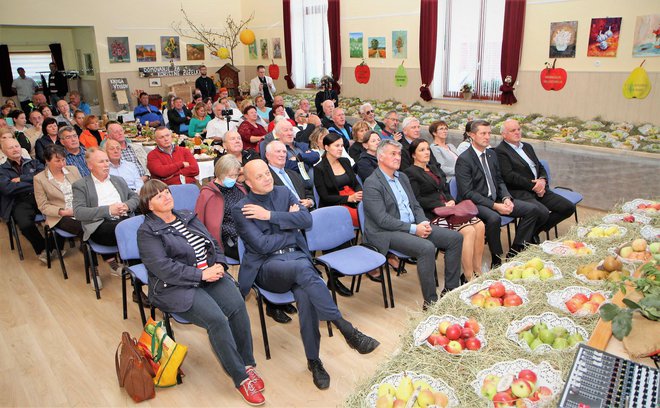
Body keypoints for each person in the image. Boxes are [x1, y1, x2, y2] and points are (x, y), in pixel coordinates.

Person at [232, 159, 379, 390]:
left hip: (296, 259)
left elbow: (306, 220)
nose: (267, 178)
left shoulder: (283, 192)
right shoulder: (242, 208)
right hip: (267, 268)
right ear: (248, 183)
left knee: (307, 292)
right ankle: (345, 328)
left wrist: (269, 216)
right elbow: (261, 245)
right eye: (259, 176)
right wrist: (290, 227)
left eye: (267, 173)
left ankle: (314, 361)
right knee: (306, 272)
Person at [138, 179, 265, 406]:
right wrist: (200, 275)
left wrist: (218, 264)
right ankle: (241, 378)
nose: (167, 196)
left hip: (208, 274)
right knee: (216, 319)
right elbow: (163, 268)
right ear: (149, 205)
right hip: (175, 287)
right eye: (159, 196)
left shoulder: (186, 215)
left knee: (237, 304)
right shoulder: (147, 231)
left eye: (167, 192)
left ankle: (247, 363)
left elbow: (213, 243)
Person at [362, 139, 464, 308]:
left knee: (455, 238)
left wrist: (423, 221)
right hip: (386, 232)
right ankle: (431, 303)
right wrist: (414, 229)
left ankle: (451, 290)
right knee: (426, 248)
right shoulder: (372, 183)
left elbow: (415, 204)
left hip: (411, 225)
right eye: (392, 154)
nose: (397, 157)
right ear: (380, 157)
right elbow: (382, 220)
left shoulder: (402, 177)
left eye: (398, 154)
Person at [455, 120, 543, 268]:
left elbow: (499, 180)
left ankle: (516, 250)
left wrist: (506, 198)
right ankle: (496, 259)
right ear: (471, 135)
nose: (487, 137)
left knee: (533, 210)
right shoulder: (464, 160)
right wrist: (495, 206)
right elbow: (467, 193)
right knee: (494, 218)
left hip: (496, 198)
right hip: (474, 203)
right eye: (483, 133)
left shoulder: (491, 154)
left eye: (489, 133)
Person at [404, 138, 485, 281]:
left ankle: (477, 269)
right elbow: (417, 199)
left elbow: (444, 188)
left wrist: (450, 199)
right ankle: (468, 276)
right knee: (468, 230)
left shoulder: (434, 167)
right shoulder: (410, 173)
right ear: (413, 155)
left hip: (450, 209)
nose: (426, 152)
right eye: (421, 150)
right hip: (433, 214)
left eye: (427, 149)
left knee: (480, 225)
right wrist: (442, 205)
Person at [495, 119, 575, 241]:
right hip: (521, 192)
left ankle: (534, 232)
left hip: (540, 189)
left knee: (568, 207)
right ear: (504, 135)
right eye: (513, 130)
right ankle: (519, 246)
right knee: (540, 212)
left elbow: (539, 166)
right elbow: (509, 176)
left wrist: (542, 180)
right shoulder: (501, 151)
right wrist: (534, 186)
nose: (517, 132)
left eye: (518, 129)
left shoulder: (527, 147)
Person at [73, 147, 140, 287]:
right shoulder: (81, 185)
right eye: (101, 162)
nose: (106, 164)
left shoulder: (118, 180)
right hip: (100, 226)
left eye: (107, 161)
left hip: (123, 221)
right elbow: (79, 212)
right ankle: (139, 280)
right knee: (132, 232)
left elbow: (134, 197)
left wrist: (127, 206)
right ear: (90, 166)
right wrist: (108, 210)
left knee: (138, 228)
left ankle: (139, 282)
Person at [0, 137, 47, 261]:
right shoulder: (1, 170)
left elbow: (44, 176)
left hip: (39, 196)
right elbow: (8, 189)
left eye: (16, 146)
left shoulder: (33, 162)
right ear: (3, 151)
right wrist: (33, 182)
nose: (15, 149)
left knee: (59, 214)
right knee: (25, 225)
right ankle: (44, 248)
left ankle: (55, 245)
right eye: (10, 147)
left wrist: (22, 179)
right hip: (18, 202)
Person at [33, 144, 83, 244]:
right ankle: (93, 251)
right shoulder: (39, 179)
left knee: (99, 221)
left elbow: (84, 190)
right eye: (57, 161)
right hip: (60, 215)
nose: (62, 164)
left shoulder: (73, 170)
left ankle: (92, 248)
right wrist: (63, 212)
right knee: (86, 228)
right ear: (47, 161)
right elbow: (43, 205)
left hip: (80, 208)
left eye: (63, 160)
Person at [314, 132, 362, 231]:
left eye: (341, 146)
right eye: (336, 146)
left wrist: (359, 193)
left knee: (374, 209)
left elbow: (356, 183)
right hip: (335, 204)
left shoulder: (345, 161)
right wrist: (348, 198)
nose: (340, 149)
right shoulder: (319, 168)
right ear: (327, 148)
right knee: (364, 216)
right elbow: (325, 197)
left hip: (353, 198)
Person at [266, 140, 315, 210]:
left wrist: (310, 201)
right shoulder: (266, 177)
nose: (282, 155)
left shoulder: (293, 173)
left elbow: (306, 191)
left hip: (307, 211)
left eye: (284, 152)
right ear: (267, 155)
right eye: (278, 151)